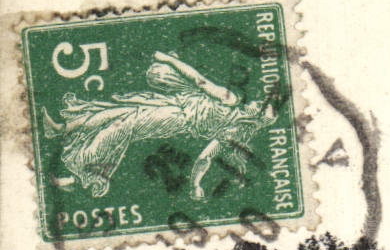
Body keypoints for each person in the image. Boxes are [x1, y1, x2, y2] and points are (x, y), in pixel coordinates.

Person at [42, 50, 277, 200]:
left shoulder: (231, 101)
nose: (257, 101)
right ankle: (63, 129)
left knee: (124, 124)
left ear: (256, 116)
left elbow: (200, 81)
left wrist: (169, 59)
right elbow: (205, 158)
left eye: (260, 106)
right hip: (175, 104)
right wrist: (195, 185)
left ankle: (76, 171)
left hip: (175, 116)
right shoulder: (234, 132)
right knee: (120, 111)